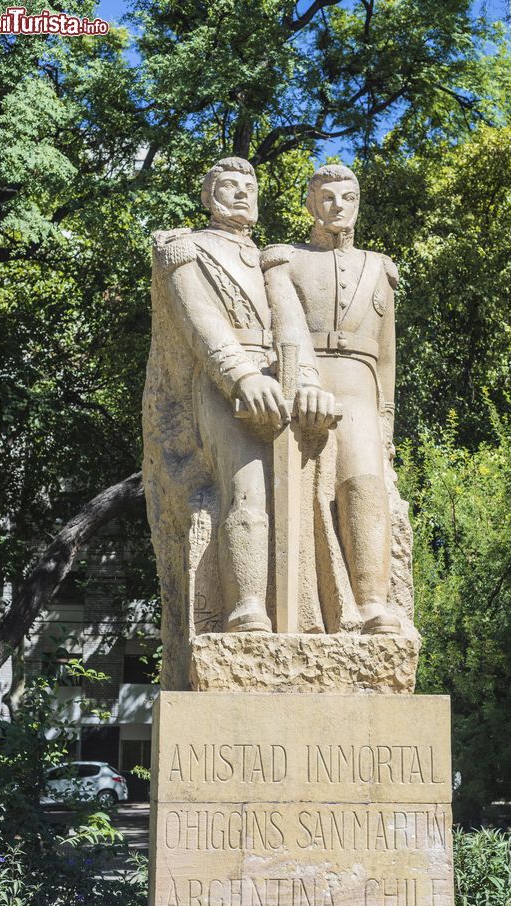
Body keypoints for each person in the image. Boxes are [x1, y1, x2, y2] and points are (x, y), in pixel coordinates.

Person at [144, 156, 332, 636]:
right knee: (246, 488)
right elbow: (199, 321)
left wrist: (308, 380)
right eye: (229, 185)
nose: (242, 193)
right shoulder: (184, 248)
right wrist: (241, 377)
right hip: (226, 383)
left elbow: (291, 324)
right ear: (208, 197)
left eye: (250, 186)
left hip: (283, 378)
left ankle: (307, 616)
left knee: (302, 498)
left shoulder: (271, 259)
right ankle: (245, 610)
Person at [262, 163, 401, 634]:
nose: (336, 205)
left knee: (364, 483)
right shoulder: (286, 260)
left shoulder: (381, 269)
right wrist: (301, 381)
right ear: (310, 204)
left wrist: (386, 421)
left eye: (346, 197)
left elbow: (387, 357)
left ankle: (373, 602)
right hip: (310, 376)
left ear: (358, 202)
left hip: (361, 386)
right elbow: (282, 325)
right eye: (326, 197)